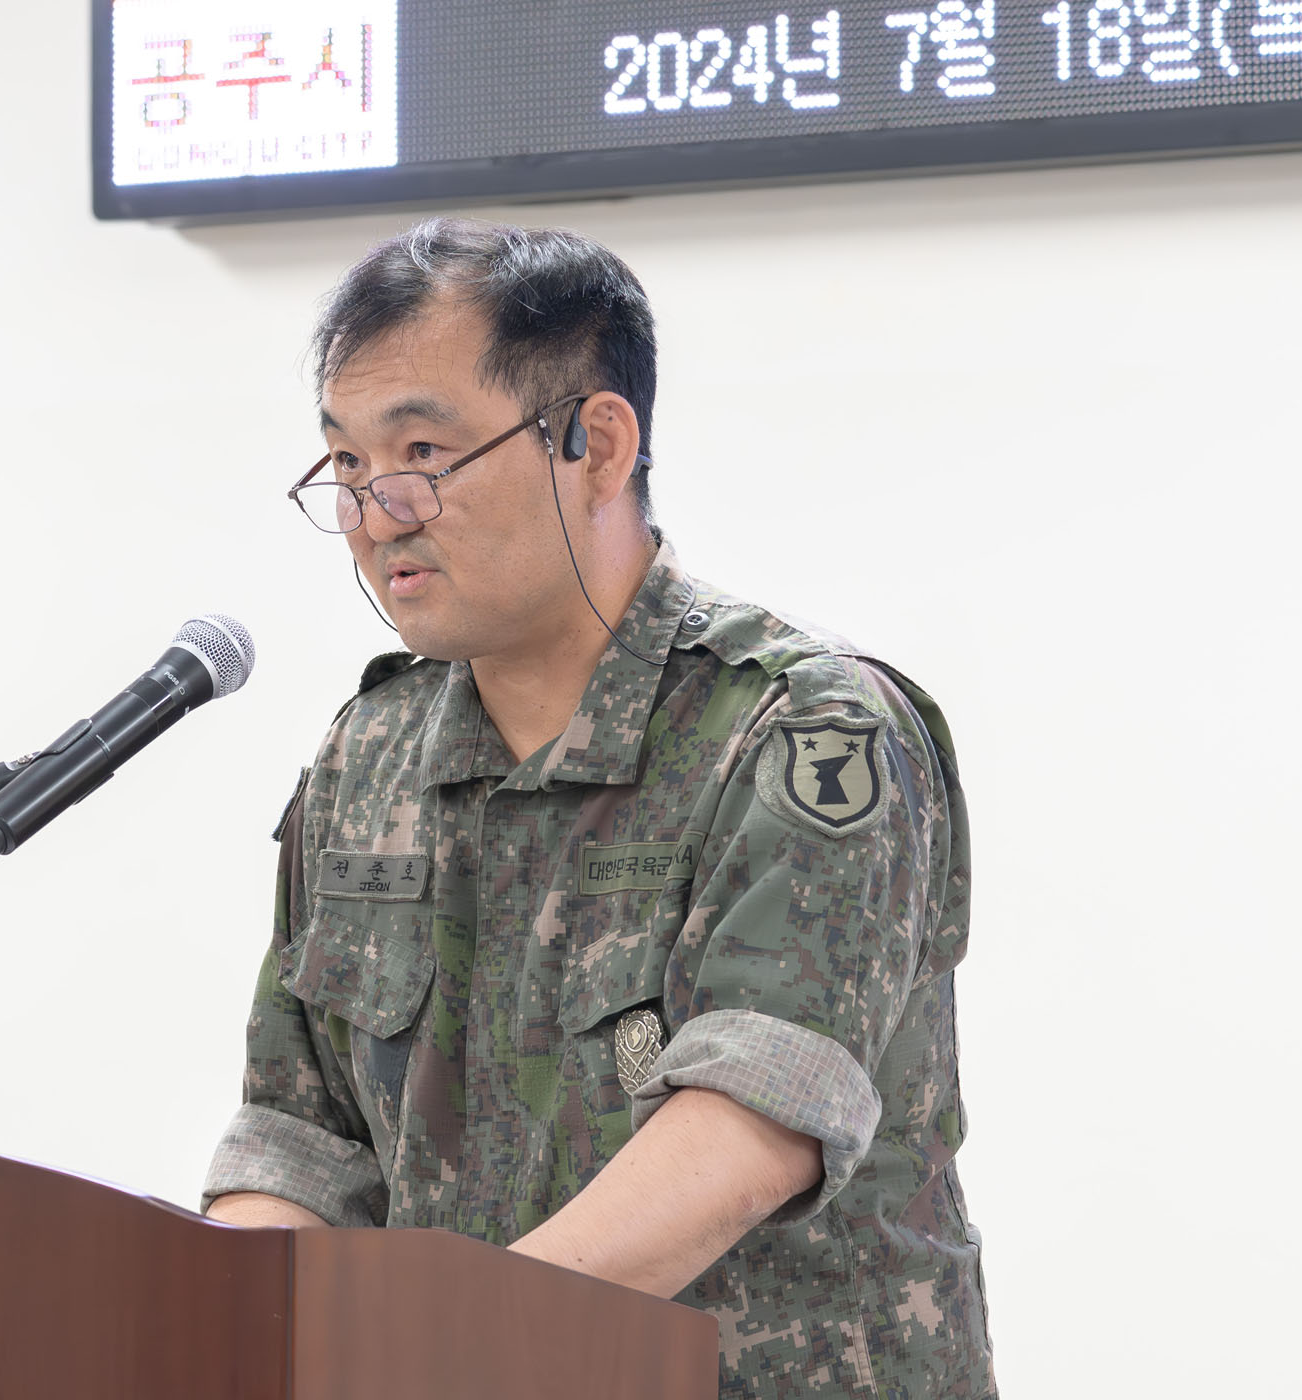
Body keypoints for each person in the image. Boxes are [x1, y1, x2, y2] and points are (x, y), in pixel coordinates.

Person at [202, 218, 996, 1398]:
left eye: (422, 452)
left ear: (598, 443)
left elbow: (750, 1125)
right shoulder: (368, 754)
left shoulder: (801, 729)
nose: (377, 513)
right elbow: (299, 1138)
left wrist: (438, 1351)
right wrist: (228, 1326)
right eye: (348, 467)